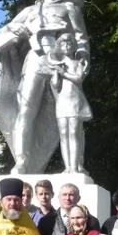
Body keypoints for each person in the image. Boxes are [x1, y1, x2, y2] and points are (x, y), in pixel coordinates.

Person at [0, 0, 89, 174]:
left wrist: (83, 58)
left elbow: (81, 38)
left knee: (69, 114)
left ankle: (74, 166)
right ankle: (22, 162)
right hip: (35, 61)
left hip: (62, 63)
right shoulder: (30, 11)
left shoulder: (69, 8)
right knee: (25, 111)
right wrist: (15, 31)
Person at [49, 33, 92, 174]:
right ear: (59, 47)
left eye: (69, 44)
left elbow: (79, 78)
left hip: (74, 100)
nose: (66, 47)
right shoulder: (58, 65)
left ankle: (74, 167)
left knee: (74, 132)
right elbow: (55, 85)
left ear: (73, 46)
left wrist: (63, 72)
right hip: (62, 101)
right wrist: (56, 73)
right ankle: (67, 167)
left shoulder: (78, 63)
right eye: (63, 44)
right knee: (63, 133)